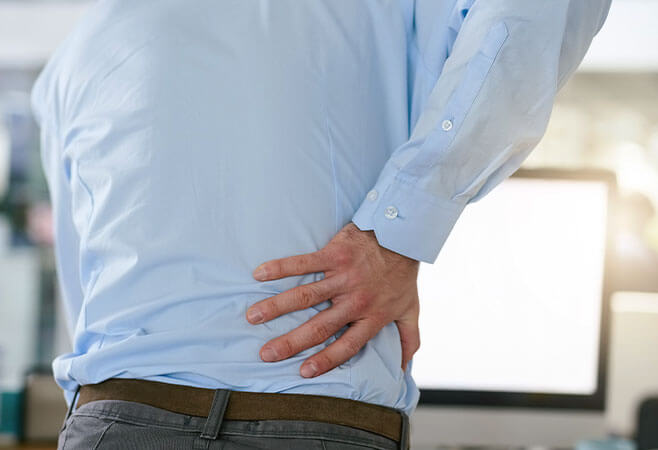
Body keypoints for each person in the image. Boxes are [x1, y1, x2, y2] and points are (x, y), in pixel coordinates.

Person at [31, 1, 611, 449]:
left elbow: (83, 298)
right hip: (313, 416)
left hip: (114, 421)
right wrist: (395, 231)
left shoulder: (79, 53)